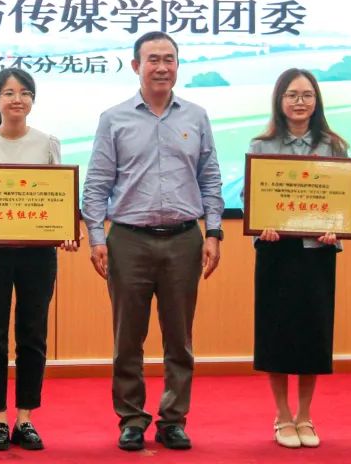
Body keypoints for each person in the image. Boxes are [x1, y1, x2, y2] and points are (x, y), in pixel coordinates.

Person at [82, 31, 224, 452]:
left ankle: (173, 420)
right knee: (128, 338)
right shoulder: (114, 119)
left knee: (179, 339)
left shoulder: (196, 116)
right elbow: (97, 184)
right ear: (135, 66)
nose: (161, 67)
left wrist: (214, 232)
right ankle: (131, 419)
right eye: (152, 59)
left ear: (177, 65)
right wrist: (96, 237)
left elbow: (211, 178)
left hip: (184, 240)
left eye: (169, 59)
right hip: (129, 240)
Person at [0, 67, 79, 451]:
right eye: (9, 93)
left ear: (33, 100)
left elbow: (59, 196)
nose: (17, 99)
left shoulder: (48, 143)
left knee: (33, 334)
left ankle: (25, 417)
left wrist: (66, 230)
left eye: (25, 92)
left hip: (37, 255)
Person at [246, 69, 348, 449]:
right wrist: (262, 224)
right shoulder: (262, 146)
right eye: (292, 95)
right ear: (280, 100)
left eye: (307, 95)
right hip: (276, 252)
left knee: (312, 335)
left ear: (316, 101)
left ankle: (305, 415)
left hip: (317, 253)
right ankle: (282, 415)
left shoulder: (334, 146)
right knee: (276, 335)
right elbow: (250, 198)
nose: (299, 102)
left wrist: (336, 228)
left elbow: (342, 200)